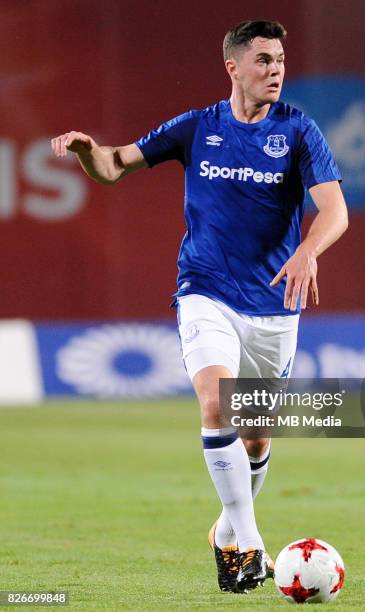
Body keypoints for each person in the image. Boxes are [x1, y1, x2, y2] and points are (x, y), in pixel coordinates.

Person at [51, 19, 348, 594]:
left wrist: (309, 250)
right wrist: (90, 152)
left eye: (280, 59)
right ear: (233, 67)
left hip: (274, 304)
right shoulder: (196, 128)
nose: (276, 69)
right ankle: (251, 543)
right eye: (263, 59)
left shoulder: (298, 131)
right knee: (217, 403)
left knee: (257, 435)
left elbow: (334, 210)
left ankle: (225, 531)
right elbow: (115, 166)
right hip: (206, 291)